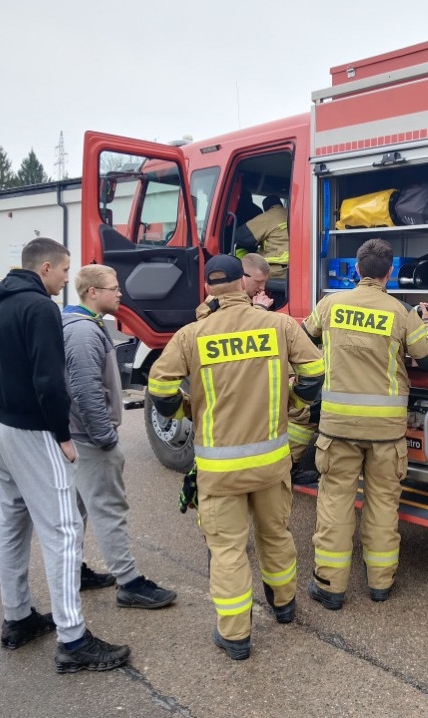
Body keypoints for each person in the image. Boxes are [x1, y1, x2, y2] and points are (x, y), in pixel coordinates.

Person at [147, 254, 323, 661]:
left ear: (208, 289)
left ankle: (236, 636)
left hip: (218, 468)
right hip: (271, 462)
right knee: (275, 535)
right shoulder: (279, 326)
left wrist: (186, 410)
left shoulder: (191, 335)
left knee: (227, 550)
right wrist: (292, 401)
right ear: (244, 285)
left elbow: (160, 389)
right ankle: (284, 607)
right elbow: (315, 371)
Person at [0, 237, 130, 673]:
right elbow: (49, 379)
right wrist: (62, 435)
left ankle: (18, 618)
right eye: (65, 271)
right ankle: (73, 639)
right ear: (45, 268)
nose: (68, 278)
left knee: (12, 523)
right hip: (31, 429)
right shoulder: (41, 308)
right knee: (63, 530)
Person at [302, 238, 428, 610]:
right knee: (382, 504)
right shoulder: (400, 312)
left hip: (338, 429)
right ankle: (380, 584)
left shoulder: (330, 304)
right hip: (386, 433)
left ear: (356, 270)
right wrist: (427, 322)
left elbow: (305, 337)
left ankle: (330, 587)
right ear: (390, 272)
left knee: (335, 504)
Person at [62, 264, 178, 609]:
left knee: (76, 510)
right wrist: (105, 439)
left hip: (79, 435)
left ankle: (73, 571)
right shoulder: (83, 333)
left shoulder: (80, 325)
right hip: (90, 438)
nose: (120, 294)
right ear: (92, 293)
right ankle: (129, 582)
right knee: (109, 509)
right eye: (113, 288)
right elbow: (86, 391)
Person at [235, 194, 288, 279]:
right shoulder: (289, 214)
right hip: (292, 267)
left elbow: (242, 236)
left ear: (266, 208)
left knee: (243, 276)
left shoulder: (271, 215)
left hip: (276, 270)